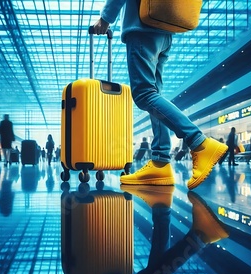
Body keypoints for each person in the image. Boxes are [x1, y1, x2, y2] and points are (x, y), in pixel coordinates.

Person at [92, 1, 228, 189]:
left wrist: (106, 18)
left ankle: (199, 143)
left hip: (142, 27)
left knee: (144, 94)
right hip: (165, 28)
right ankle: (160, 162)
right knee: (154, 93)